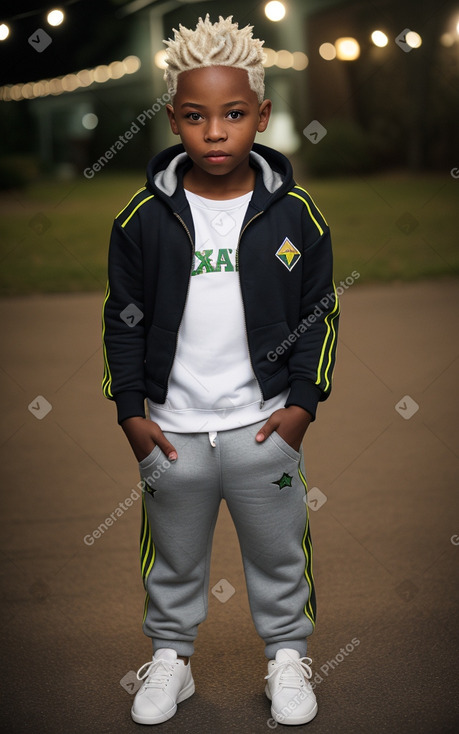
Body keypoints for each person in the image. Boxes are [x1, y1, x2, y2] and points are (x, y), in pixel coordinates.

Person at [102, 14, 339, 727]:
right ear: (172, 118)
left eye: (233, 115)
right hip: (170, 429)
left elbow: (320, 315)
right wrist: (132, 414)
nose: (215, 133)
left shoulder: (296, 215)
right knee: (171, 555)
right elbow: (121, 317)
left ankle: (287, 659)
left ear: (260, 116)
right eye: (196, 117)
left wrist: (300, 406)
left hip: (261, 423)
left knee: (277, 550)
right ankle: (170, 660)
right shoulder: (142, 218)